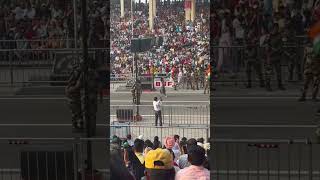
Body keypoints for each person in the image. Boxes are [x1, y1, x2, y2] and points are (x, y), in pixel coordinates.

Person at [265, 23, 285, 91]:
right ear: (272, 28)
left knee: (278, 72)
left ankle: (280, 85)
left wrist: (277, 50)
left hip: (277, 56)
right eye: (275, 28)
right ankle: (268, 85)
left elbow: (281, 45)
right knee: (269, 72)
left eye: (277, 28)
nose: (276, 29)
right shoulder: (269, 36)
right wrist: (269, 49)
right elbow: (266, 45)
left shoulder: (279, 36)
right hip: (270, 56)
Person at [65, 64, 83, 130]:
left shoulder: (74, 75)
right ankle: (76, 126)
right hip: (72, 94)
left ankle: (78, 124)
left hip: (73, 94)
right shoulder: (74, 77)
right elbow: (76, 86)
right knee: (75, 112)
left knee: (77, 111)